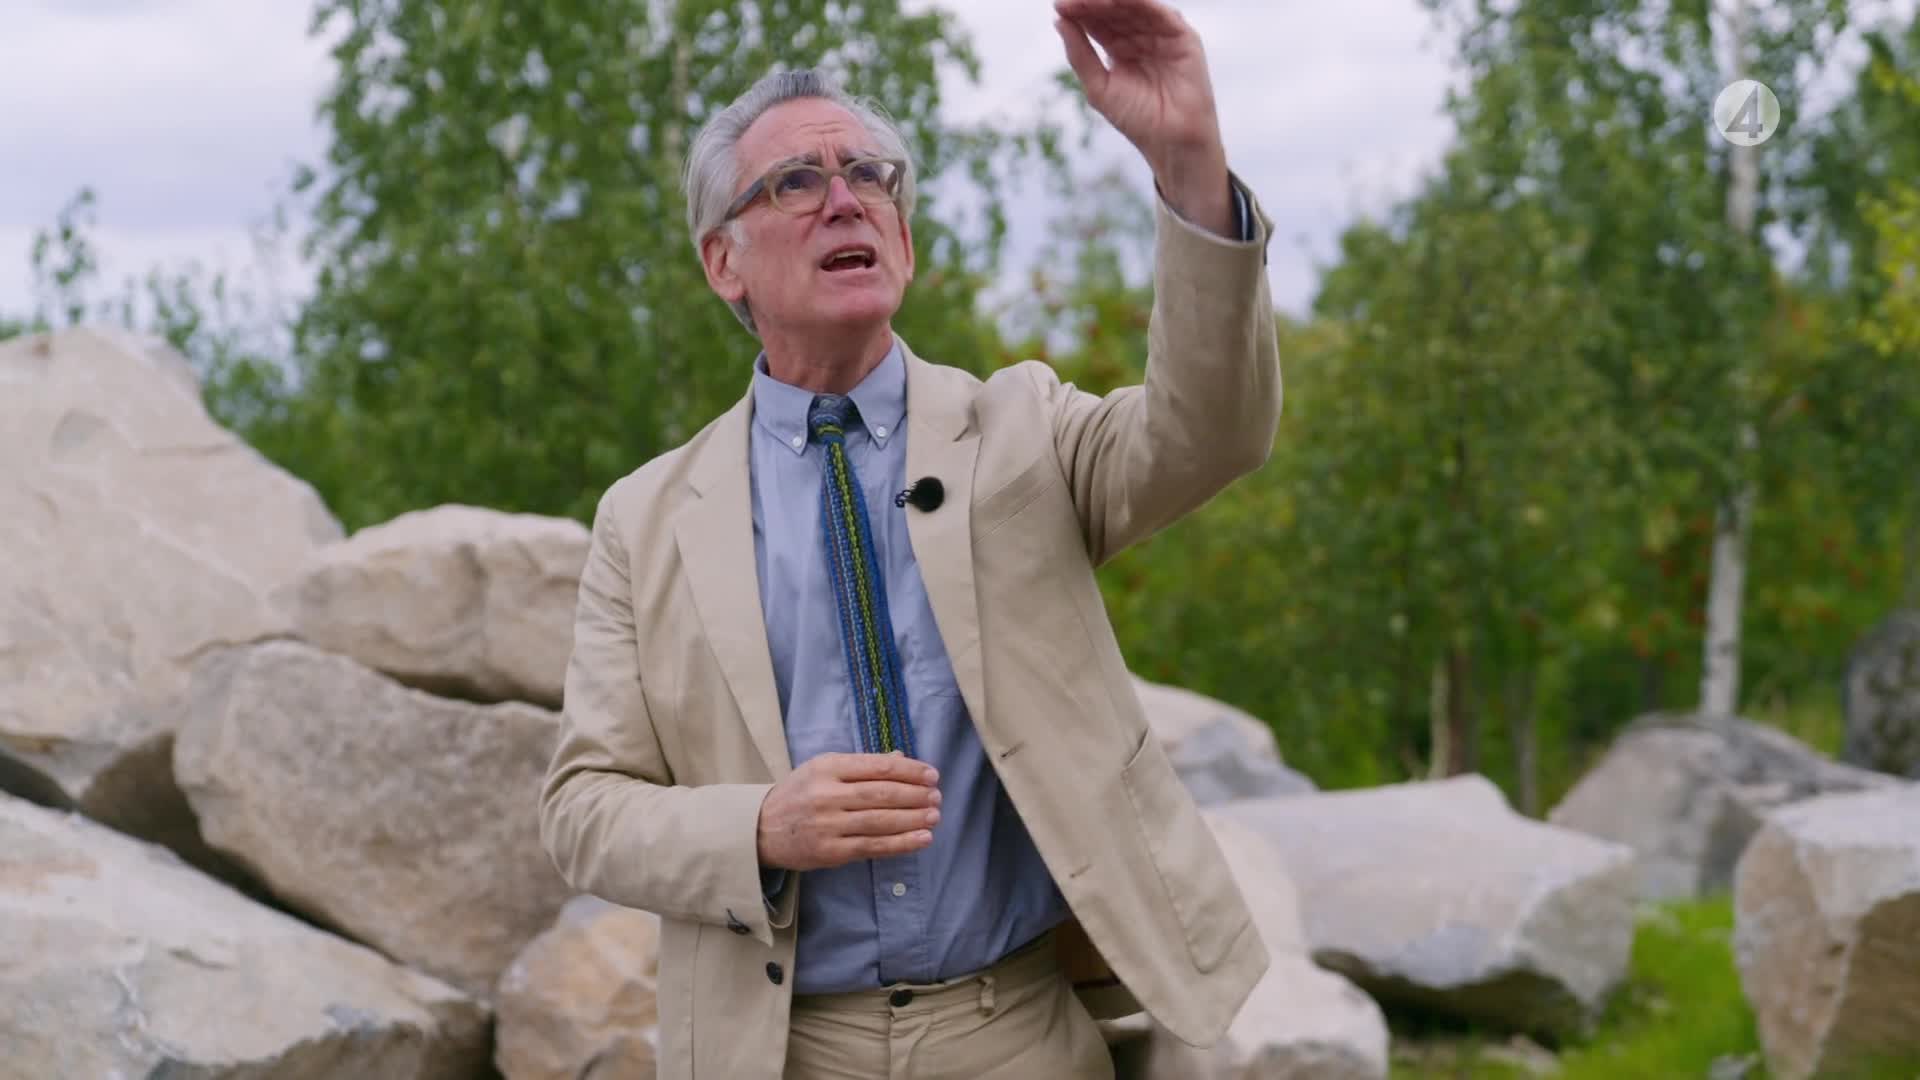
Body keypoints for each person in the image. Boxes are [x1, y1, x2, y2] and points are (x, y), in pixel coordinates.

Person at [538, 0, 1282, 1075]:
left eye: (870, 176)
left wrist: (1190, 162)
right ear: (723, 262)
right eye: (796, 182)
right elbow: (582, 809)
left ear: (904, 236)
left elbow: (1212, 432)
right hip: (783, 1047)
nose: (846, 198)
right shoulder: (645, 518)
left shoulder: (1024, 429)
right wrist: (760, 827)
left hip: (1017, 1030)